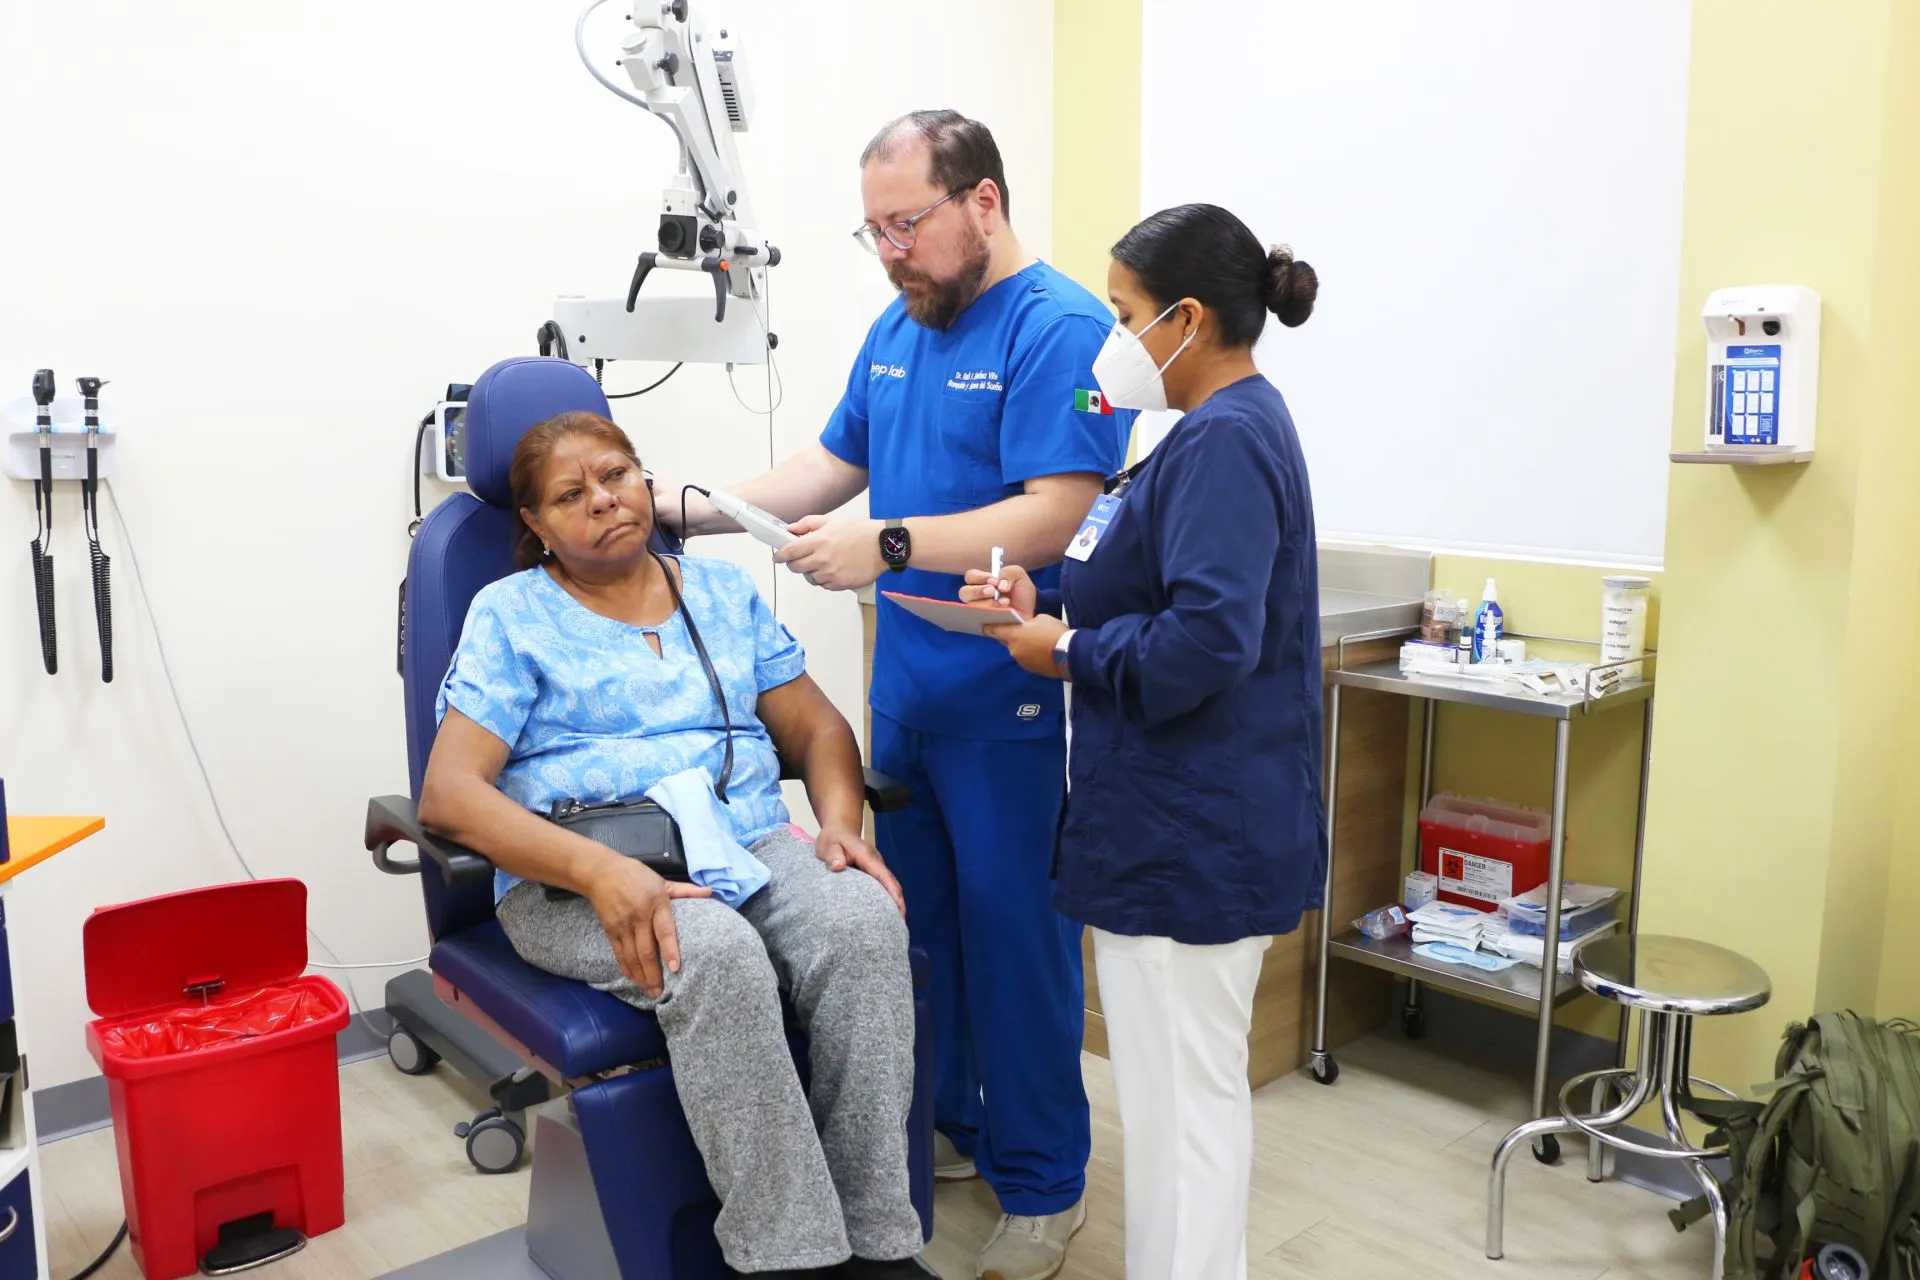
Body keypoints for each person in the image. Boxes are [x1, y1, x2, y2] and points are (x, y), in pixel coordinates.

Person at [660, 111, 1134, 1280]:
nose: (889, 252)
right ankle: (957, 1124)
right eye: (871, 231)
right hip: (911, 691)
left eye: (906, 224)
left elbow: (1059, 508)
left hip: (1014, 698)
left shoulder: (1060, 329)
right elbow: (832, 465)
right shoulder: (902, 322)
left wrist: (891, 540)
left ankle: (1045, 1183)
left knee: (1018, 943)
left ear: (983, 202)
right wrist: (688, 509)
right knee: (916, 937)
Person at [417, 411, 934, 1280]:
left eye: (616, 476)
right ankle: (793, 1258)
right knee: (713, 954)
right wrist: (601, 872)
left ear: (645, 482)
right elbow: (451, 794)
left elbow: (818, 729)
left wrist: (841, 826)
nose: (603, 500)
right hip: (577, 878)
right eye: (570, 495)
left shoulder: (721, 593)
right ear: (536, 523)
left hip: (745, 843)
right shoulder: (510, 615)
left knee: (860, 923)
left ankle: (878, 1238)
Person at [961, 204, 1325, 1280]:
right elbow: (1158, 591)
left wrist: (1068, 650)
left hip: (1192, 838)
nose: (1113, 340)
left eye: (1124, 315)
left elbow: (1210, 640)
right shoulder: (1206, 434)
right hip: (1172, 821)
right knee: (1174, 1111)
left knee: (1185, 1115)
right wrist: (1045, 603)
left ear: (1188, 318)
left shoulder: (1225, 439)